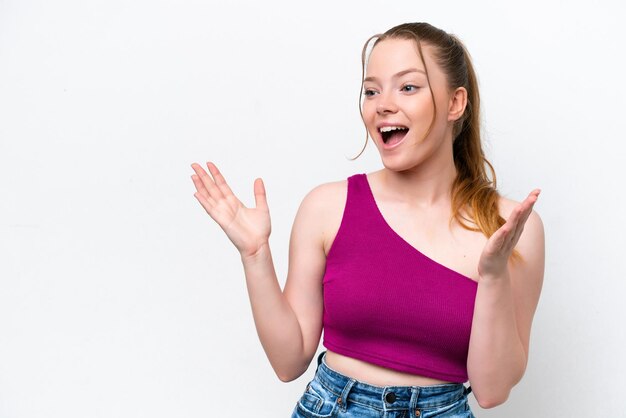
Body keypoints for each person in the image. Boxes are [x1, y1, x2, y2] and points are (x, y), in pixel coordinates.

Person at [190, 21, 544, 417]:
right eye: (371, 90)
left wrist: (494, 274)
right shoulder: (327, 207)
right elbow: (288, 362)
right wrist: (255, 255)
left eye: (407, 87)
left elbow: (492, 391)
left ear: (455, 103)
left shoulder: (510, 226)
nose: (382, 104)